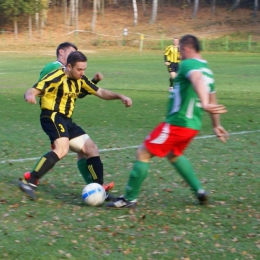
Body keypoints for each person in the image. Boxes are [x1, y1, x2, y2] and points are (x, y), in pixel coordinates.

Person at [107, 34, 229, 209]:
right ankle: (199, 191)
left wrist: (205, 103)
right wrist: (216, 124)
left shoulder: (189, 64)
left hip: (177, 123)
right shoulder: (207, 69)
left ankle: (129, 198)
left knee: (143, 153)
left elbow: (197, 79)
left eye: (180, 51)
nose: (179, 55)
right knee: (174, 155)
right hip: (193, 126)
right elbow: (212, 97)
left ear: (186, 49)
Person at [19, 51, 132, 201]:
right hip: (52, 116)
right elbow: (33, 89)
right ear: (69, 66)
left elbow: (101, 92)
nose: (82, 73)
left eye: (84, 69)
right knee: (62, 149)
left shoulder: (80, 80)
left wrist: (120, 96)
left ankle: (99, 190)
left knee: (91, 148)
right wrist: (29, 95)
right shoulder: (56, 76)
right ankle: (30, 181)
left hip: (67, 120)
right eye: (79, 69)